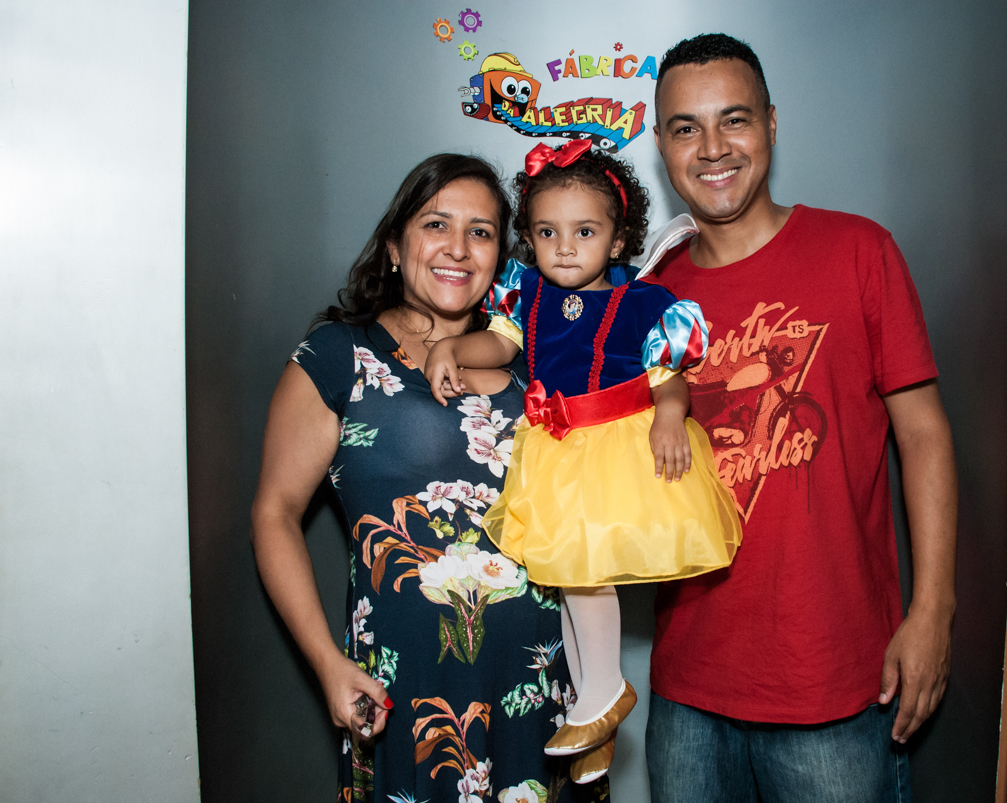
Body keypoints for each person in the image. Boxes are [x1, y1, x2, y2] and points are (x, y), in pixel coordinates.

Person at [641, 34, 959, 802]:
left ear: (772, 126)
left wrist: (934, 610)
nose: (713, 148)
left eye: (735, 120)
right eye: (686, 127)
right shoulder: (648, 297)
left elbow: (923, 435)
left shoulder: (858, 250)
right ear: (661, 146)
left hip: (836, 683)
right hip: (688, 689)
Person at [250, 154, 608, 803]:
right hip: (405, 696)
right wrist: (328, 663)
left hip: (539, 688)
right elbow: (273, 511)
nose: (458, 248)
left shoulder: (536, 360)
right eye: (436, 223)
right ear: (394, 245)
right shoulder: (339, 354)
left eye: (481, 231)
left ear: (501, 255)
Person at [424, 140, 742, 784]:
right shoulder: (529, 294)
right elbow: (503, 347)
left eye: (585, 231)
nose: (564, 247)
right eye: (547, 232)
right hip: (554, 450)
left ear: (619, 237)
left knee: (588, 574)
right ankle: (586, 709)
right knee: (569, 580)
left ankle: (603, 692)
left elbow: (668, 376)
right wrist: (455, 348)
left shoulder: (642, 302)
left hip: (614, 447)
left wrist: (672, 418)